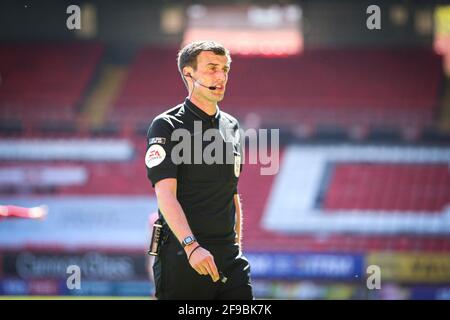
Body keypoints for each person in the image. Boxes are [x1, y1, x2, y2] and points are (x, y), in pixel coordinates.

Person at [145, 40, 253, 300]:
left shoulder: (233, 126)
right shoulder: (166, 125)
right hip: (184, 255)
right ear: (189, 73)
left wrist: (236, 246)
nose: (222, 76)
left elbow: (232, 192)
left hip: (229, 257)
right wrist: (192, 247)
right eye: (212, 68)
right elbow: (166, 195)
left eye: (225, 69)